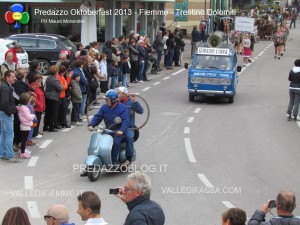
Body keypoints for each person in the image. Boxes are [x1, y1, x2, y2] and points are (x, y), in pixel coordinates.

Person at [87, 90, 129, 165]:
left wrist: (121, 130)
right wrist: (91, 125)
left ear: (114, 100)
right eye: (106, 100)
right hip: (108, 130)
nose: (106, 101)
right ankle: (90, 165)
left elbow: (126, 120)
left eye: (107, 100)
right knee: (98, 141)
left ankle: (114, 161)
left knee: (115, 143)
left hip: (118, 132)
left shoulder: (122, 108)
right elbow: (98, 117)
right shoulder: (104, 107)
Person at [116, 87, 143, 166]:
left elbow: (141, 111)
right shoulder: (115, 102)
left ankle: (129, 158)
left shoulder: (131, 102)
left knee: (129, 137)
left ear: (124, 94)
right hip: (117, 126)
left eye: (119, 93)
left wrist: (135, 101)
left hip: (128, 127)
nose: (117, 94)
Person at [0, 70, 21, 163]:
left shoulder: (6, 86)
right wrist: (10, 112)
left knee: (4, 134)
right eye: (12, 76)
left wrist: (13, 107)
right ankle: (10, 156)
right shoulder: (6, 88)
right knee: (9, 134)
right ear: (7, 77)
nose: (14, 78)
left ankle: (3, 154)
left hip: (3, 113)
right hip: (6, 114)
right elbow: (4, 103)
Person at [43, 66, 63, 132]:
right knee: (53, 113)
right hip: (54, 97)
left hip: (47, 96)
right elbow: (60, 88)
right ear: (56, 72)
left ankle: (45, 126)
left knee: (47, 112)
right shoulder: (55, 80)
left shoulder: (48, 78)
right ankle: (51, 127)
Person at [17, 93, 35, 159]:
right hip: (25, 125)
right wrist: (33, 116)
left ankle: (24, 151)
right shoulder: (24, 108)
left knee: (24, 139)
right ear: (27, 101)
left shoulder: (21, 107)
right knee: (24, 140)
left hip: (25, 125)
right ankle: (22, 153)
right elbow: (28, 117)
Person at [30, 74, 45, 138]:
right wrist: (39, 105)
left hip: (40, 106)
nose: (40, 82)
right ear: (35, 81)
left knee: (38, 120)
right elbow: (35, 98)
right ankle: (34, 133)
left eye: (40, 80)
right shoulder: (34, 87)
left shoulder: (39, 87)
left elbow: (42, 96)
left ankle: (36, 131)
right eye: (38, 81)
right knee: (36, 121)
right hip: (37, 107)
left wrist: (43, 105)